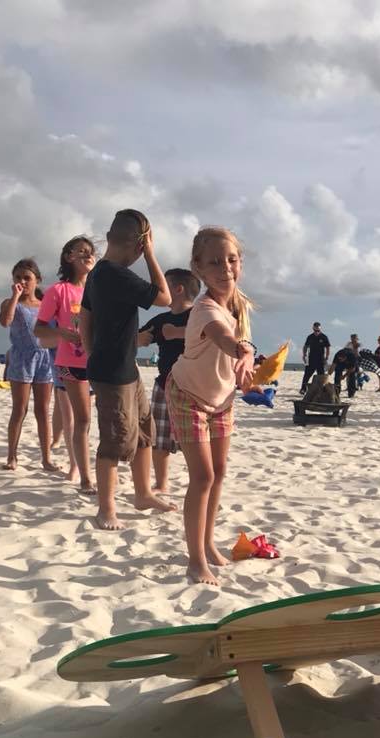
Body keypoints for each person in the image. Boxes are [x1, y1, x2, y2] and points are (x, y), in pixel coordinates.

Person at [165, 226, 255, 585]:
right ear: (198, 269)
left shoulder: (240, 304)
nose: (225, 269)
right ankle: (195, 559)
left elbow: (240, 342)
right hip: (187, 395)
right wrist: (241, 351)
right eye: (215, 262)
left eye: (231, 260)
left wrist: (247, 369)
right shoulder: (203, 309)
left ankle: (207, 542)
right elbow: (224, 337)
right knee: (201, 477)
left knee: (218, 473)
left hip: (222, 398)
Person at [79, 209, 173, 530]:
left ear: (108, 237)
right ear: (138, 246)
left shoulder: (97, 274)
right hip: (113, 373)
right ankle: (106, 508)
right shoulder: (115, 274)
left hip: (123, 367)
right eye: (143, 247)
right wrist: (151, 253)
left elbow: (84, 317)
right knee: (115, 441)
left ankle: (143, 493)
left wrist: (93, 354)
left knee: (145, 432)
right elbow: (164, 297)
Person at [35, 236, 97, 492]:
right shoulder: (58, 291)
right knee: (81, 419)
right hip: (69, 361)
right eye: (81, 251)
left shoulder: (98, 289)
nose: (88, 255)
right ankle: (84, 477)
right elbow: (39, 329)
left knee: (94, 420)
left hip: (97, 360)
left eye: (91, 252)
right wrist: (61, 333)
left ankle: (88, 469)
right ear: (68, 257)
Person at [138, 268, 200, 493]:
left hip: (194, 388)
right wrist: (138, 339)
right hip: (164, 385)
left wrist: (179, 332)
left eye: (164, 286)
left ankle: (199, 483)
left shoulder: (199, 314)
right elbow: (138, 338)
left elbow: (214, 332)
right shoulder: (161, 319)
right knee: (160, 439)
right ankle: (162, 483)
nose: (159, 291)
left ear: (178, 289)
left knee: (195, 442)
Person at [0, 258, 57, 472]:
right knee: (19, 410)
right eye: (18, 277)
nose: (22, 281)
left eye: (27, 278)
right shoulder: (10, 302)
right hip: (22, 358)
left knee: (42, 410)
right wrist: (15, 296)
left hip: (44, 359)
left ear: (37, 280)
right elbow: (5, 321)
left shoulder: (45, 305)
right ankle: (12, 456)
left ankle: (46, 458)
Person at [300, 322, 330, 393]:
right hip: (311, 359)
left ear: (320, 329)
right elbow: (305, 346)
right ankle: (303, 389)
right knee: (307, 375)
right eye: (315, 330)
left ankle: (322, 390)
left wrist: (327, 357)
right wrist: (304, 355)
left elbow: (328, 347)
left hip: (320, 359)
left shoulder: (324, 337)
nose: (316, 332)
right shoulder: (310, 337)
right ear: (313, 329)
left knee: (321, 376)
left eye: (318, 331)